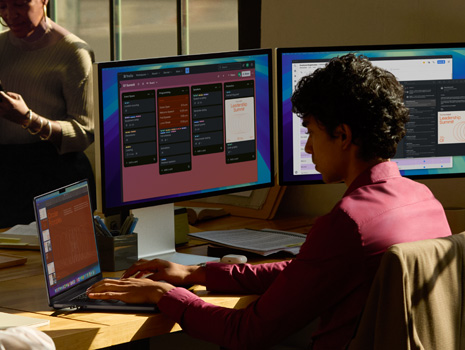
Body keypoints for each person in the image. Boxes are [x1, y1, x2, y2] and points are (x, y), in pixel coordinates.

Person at [87, 54, 452, 349]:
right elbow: (305, 273)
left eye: (310, 130)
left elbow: (246, 333)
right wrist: (196, 273)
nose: (307, 147)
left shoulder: (348, 223)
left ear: (342, 135)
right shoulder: (424, 200)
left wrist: (165, 296)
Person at [0, 0, 95, 228]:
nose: (10, 15)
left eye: (20, 4)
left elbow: (83, 133)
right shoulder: (1, 46)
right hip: (6, 173)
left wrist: (28, 119)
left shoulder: (74, 52)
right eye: (2, 6)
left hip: (54, 175)